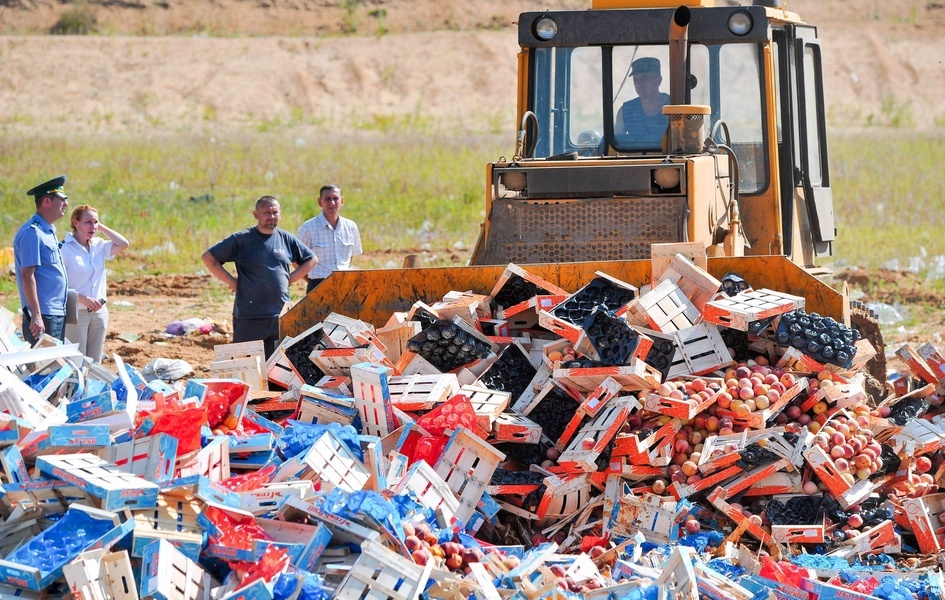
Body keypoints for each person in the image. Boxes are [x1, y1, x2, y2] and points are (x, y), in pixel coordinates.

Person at [202, 195, 316, 358]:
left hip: (279, 316)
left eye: (274, 212)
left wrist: (289, 279)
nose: (271, 216)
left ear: (280, 214)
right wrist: (233, 282)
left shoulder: (285, 239)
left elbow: (311, 259)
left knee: (279, 366)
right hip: (250, 317)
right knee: (246, 364)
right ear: (256, 215)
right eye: (266, 212)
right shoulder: (242, 240)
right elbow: (209, 257)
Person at [60, 204, 130, 363]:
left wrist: (100, 227)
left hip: (99, 311)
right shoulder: (65, 248)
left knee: (95, 363)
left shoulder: (98, 245)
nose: (93, 226)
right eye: (88, 222)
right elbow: (58, 285)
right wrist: (83, 299)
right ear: (75, 223)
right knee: (77, 361)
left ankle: (92, 388)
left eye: (95, 222)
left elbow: (123, 244)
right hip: (77, 312)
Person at [14, 175, 70, 346]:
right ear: (47, 202)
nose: (66, 204)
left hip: (54, 311)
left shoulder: (48, 231)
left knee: (55, 365)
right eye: (62, 199)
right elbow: (27, 275)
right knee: (44, 367)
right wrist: (36, 315)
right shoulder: (33, 232)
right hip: (44, 315)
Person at [297, 184, 363, 293]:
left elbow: (350, 257)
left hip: (345, 284)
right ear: (320, 202)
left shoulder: (351, 227)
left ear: (342, 201)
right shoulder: (308, 228)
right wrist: (310, 281)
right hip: (318, 285)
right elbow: (296, 259)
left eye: (335, 199)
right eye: (327, 199)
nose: (332, 203)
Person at [615, 57, 671, 148]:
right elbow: (616, 143)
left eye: (644, 78)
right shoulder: (626, 110)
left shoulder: (674, 107)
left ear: (658, 80)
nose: (639, 83)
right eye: (636, 79)